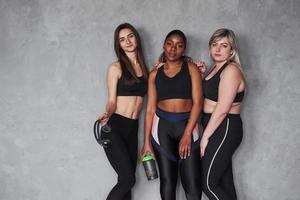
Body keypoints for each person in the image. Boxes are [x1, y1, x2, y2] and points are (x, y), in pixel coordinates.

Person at [141, 30, 203, 200]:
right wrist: (146, 143)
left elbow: (198, 103)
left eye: (179, 45)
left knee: (192, 183)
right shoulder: (154, 74)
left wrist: (188, 133)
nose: (173, 48)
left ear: (184, 49)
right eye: (169, 43)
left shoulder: (191, 68)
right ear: (164, 45)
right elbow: (149, 109)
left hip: (187, 125)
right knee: (167, 182)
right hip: (162, 128)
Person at [98, 23, 148, 200]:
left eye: (130, 36)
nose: (127, 41)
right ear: (118, 44)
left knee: (126, 182)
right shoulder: (115, 68)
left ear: (136, 38)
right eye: (122, 39)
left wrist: (191, 64)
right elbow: (112, 101)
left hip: (132, 129)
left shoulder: (145, 69)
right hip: (115, 127)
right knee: (128, 179)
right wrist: (107, 113)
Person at [200, 28, 246, 200]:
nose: (218, 49)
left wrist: (205, 137)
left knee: (208, 183)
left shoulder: (231, 70)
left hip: (225, 126)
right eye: (214, 45)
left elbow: (222, 109)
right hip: (214, 126)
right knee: (223, 183)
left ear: (232, 50)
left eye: (224, 45)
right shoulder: (214, 69)